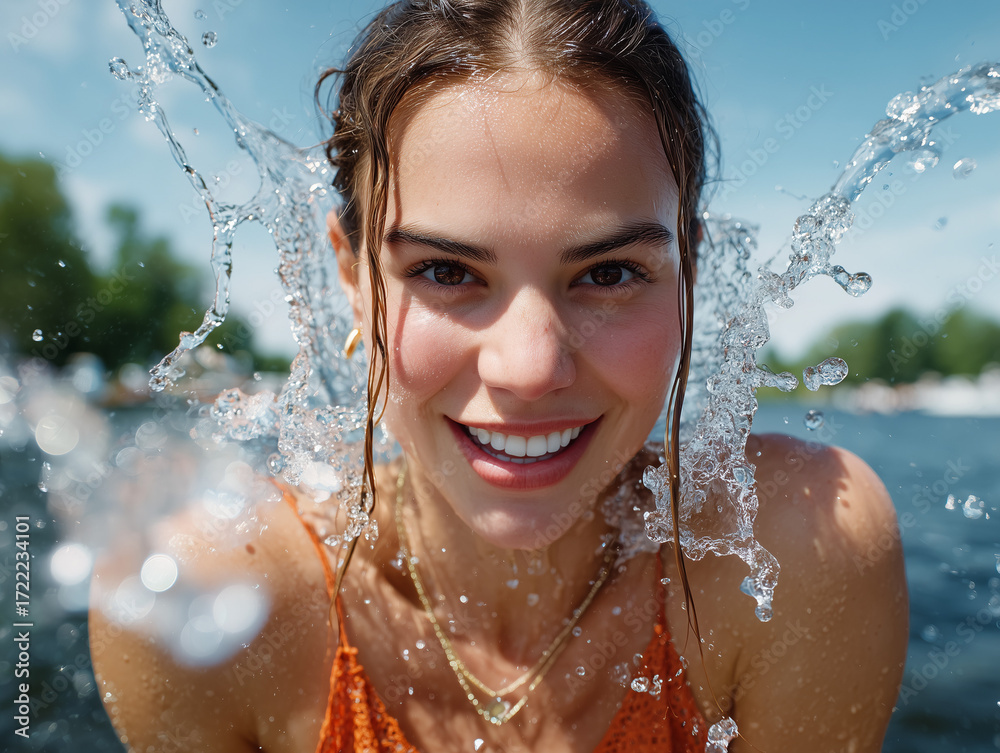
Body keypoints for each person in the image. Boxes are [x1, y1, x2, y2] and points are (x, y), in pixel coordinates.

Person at [89, 1, 909, 751]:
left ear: (687, 273)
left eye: (610, 272)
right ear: (351, 276)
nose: (529, 369)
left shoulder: (799, 555)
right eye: (446, 271)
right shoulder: (208, 601)